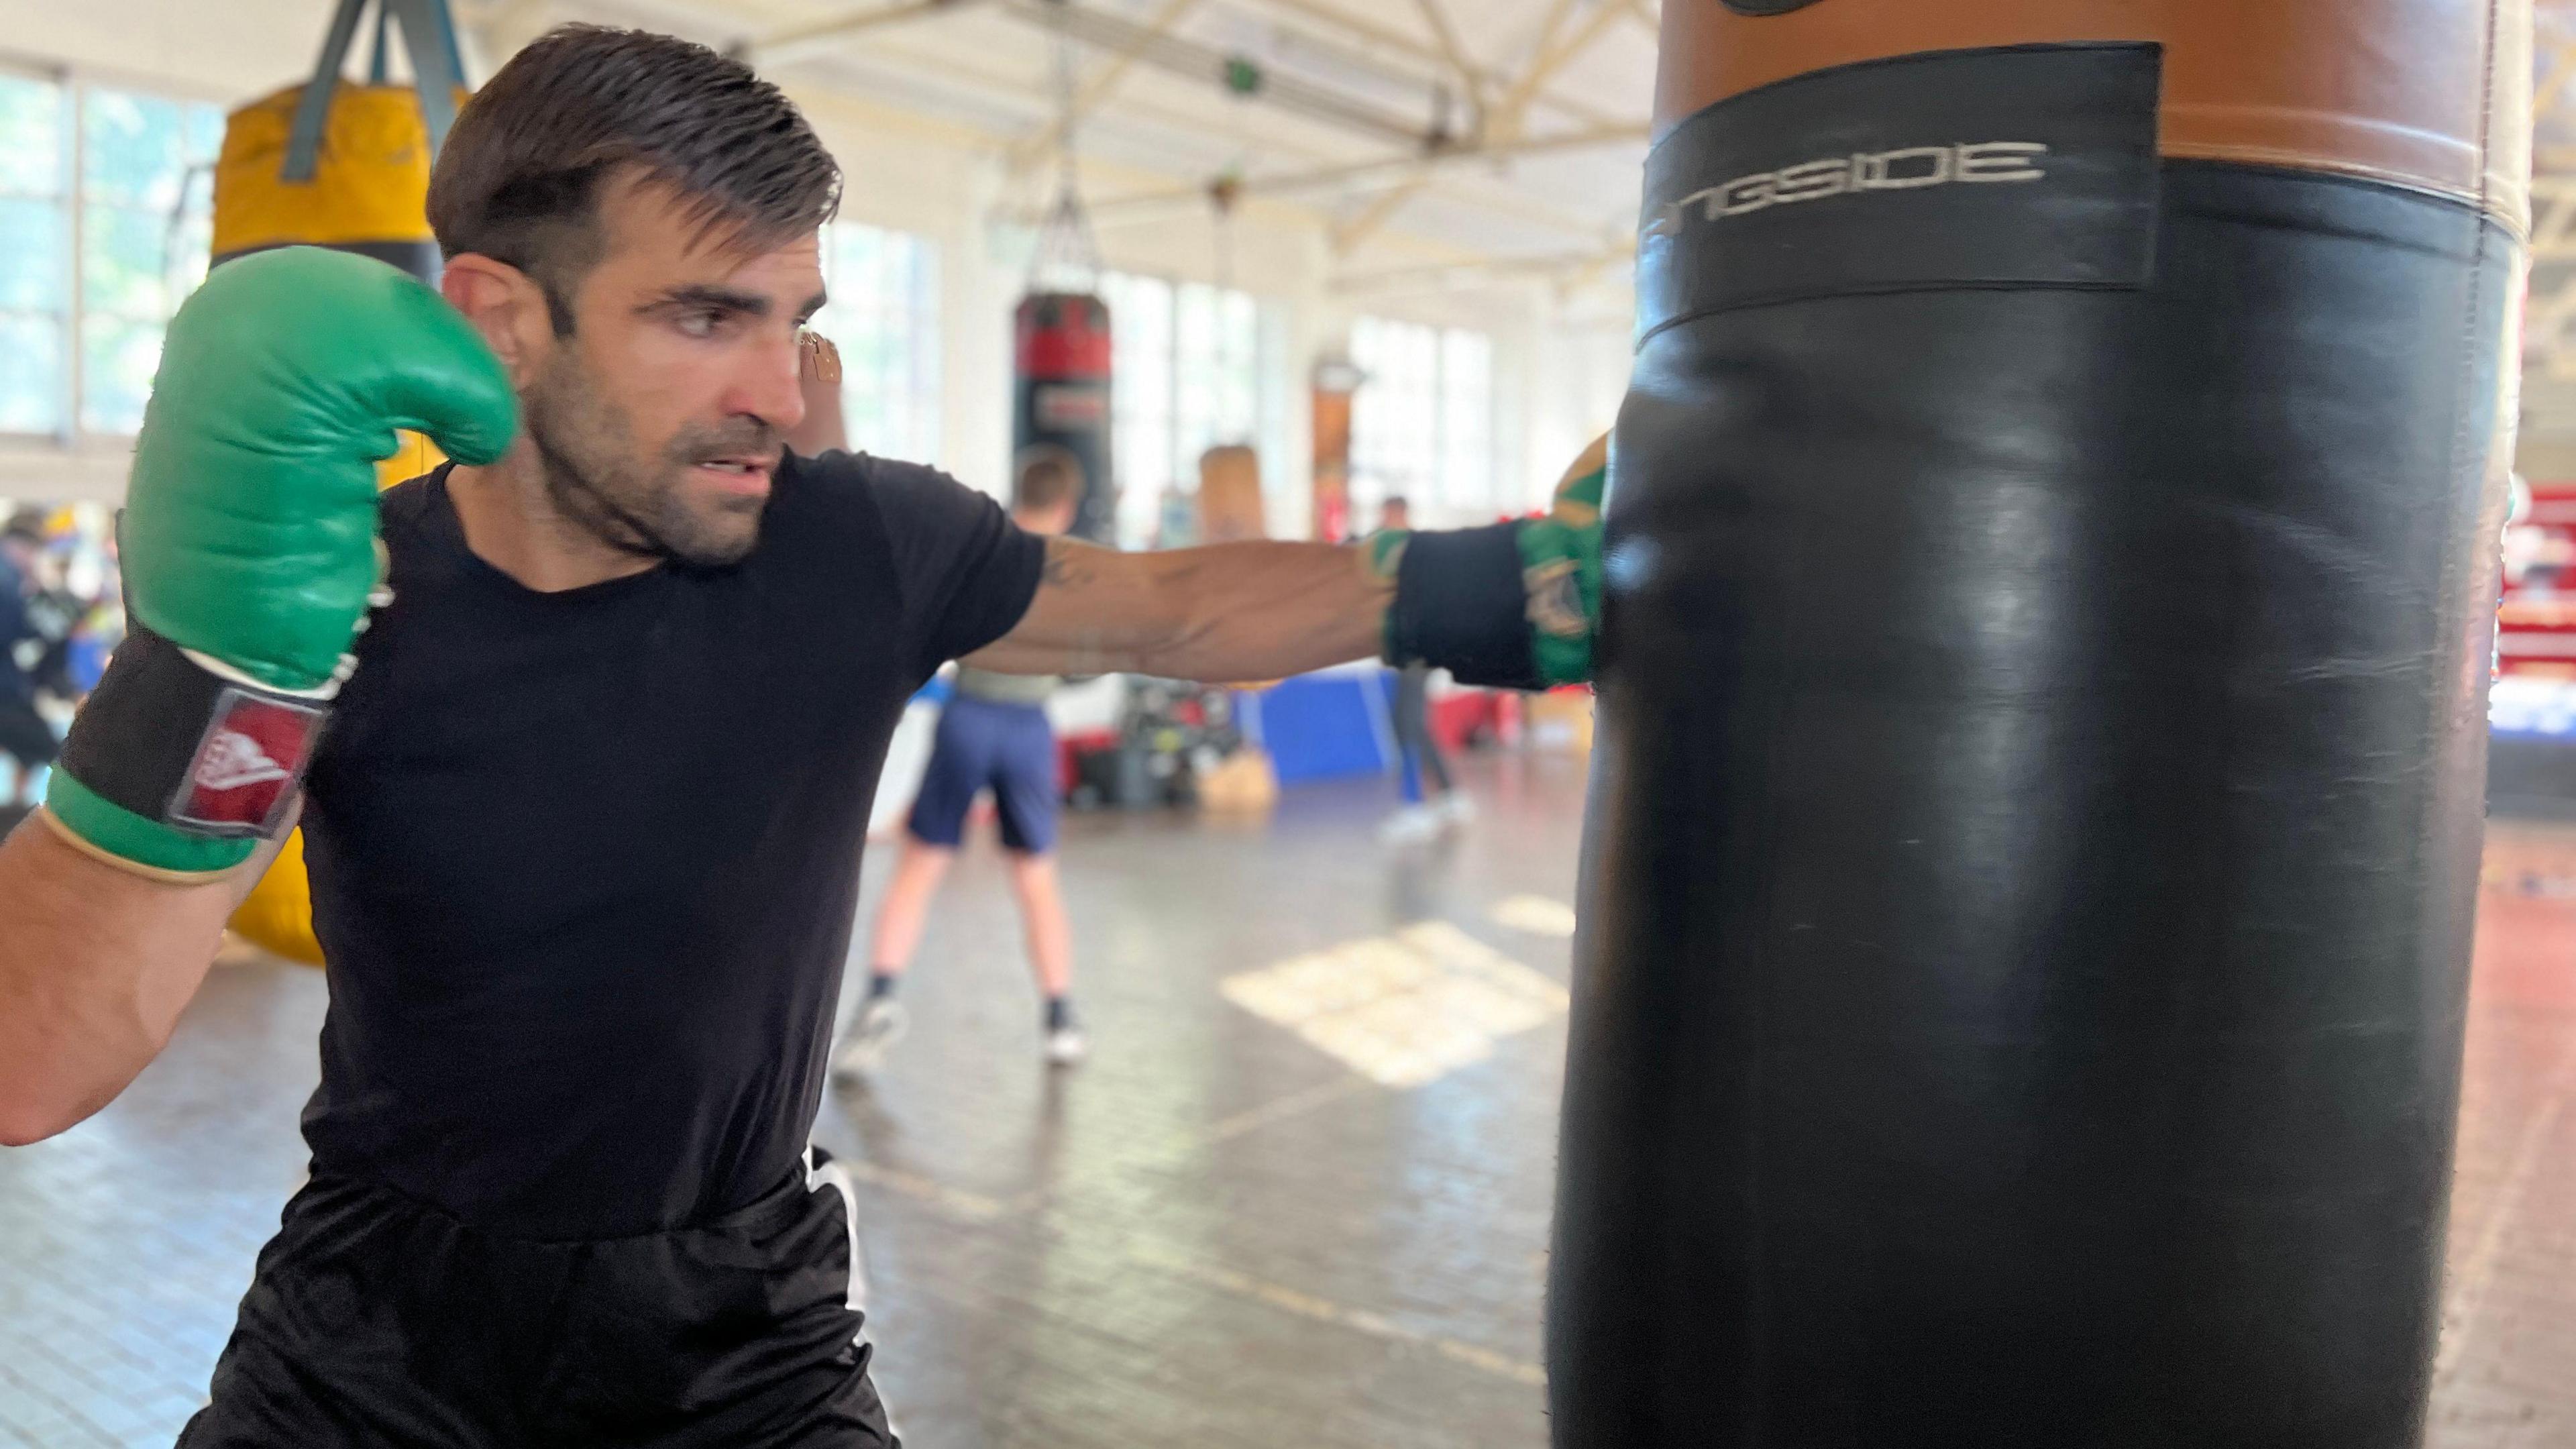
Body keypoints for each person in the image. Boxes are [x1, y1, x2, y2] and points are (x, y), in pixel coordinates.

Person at [0, 25, 1600, 1447]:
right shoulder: (342, 595)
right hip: (372, 1338)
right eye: (704, 316)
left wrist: (1503, 585)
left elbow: (1170, 607)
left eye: (793, 315)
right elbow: (34, 1063)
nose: (781, 387)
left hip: (743, 1337)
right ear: (496, 318)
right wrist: (215, 665)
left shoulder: (851, 548)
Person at [839, 455, 1087, 1077]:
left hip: (969, 719)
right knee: (1036, 879)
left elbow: (934, 630)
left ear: (1020, 491)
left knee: (920, 868)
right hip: (1027, 731)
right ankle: (1060, 1018)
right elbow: (1085, 665)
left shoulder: (985, 548)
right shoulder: (1072, 565)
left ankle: (881, 1001)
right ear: (1068, 506)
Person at [1374, 495, 1469, 845]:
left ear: (1400, 514)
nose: (1385, 520)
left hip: (1418, 652)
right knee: (1411, 724)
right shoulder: (1381, 550)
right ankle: (1448, 795)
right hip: (1403, 652)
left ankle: (1415, 805)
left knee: (1407, 725)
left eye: (1389, 514)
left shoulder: (1416, 552)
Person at [0, 514, 60, 811]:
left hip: (9, 689)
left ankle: (15, 806)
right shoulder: (8, 577)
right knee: (52, 752)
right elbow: (15, 631)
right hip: (5, 693)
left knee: (28, 749)